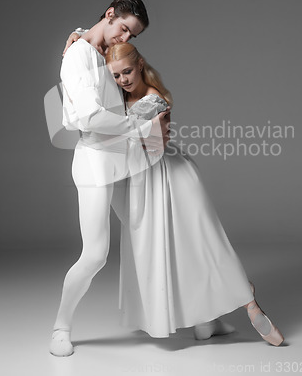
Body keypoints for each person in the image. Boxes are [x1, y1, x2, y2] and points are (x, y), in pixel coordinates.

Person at [106, 42, 285, 346]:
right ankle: (205, 322)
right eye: (116, 75)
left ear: (139, 65)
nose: (123, 79)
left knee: (204, 243)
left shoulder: (152, 100)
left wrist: (115, 136)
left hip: (168, 177)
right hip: (146, 180)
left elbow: (148, 146)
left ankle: (250, 304)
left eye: (127, 71)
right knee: (178, 251)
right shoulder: (122, 98)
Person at [50, 0, 170, 357]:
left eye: (132, 34)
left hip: (124, 156)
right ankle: (61, 326)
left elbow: (95, 41)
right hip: (94, 160)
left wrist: (82, 33)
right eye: (124, 28)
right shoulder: (78, 56)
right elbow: (88, 117)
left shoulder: (99, 47)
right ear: (110, 14)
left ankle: (197, 318)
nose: (126, 38)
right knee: (96, 253)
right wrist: (138, 125)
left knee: (153, 233)